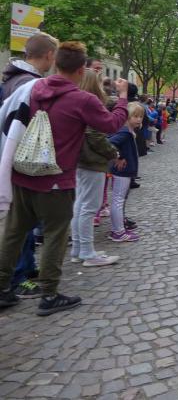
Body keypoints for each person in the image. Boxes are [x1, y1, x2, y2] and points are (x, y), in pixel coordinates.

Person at [0, 41, 129, 316]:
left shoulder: (32, 88)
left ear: (56, 63)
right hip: (56, 180)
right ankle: (49, 295)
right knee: (55, 236)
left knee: (13, 233)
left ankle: (1, 289)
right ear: (81, 69)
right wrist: (122, 98)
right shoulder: (82, 99)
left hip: (23, 173)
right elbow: (111, 124)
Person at [0, 33, 58, 297]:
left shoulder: (16, 79)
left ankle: (25, 267)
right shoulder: (29, 84)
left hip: (15, 157)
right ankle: (19, 276)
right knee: (20, 223)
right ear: (49, 54)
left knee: (22, 221)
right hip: (21, 159)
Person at [70, 70, 121, 265]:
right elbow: (95, 135)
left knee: (80, 205)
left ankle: (79, 249)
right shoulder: (91, 103)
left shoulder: (76, 101)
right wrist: (113, 152)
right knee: (89, 207)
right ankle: (87, 253)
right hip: (92, 161)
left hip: (81, 161)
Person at [107, 103, 144, 242]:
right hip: (122, 172)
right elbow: (109, 143)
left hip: (124, 172)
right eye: (135, 116)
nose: (139, 119)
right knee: (118, 200)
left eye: (140, 116)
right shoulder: (124, 132)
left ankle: (118, 227)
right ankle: (118, 232)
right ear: (127, 117)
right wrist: (118, 156)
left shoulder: (127, 131)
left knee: (120, 200)